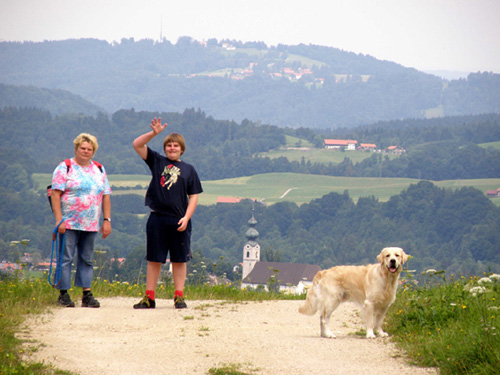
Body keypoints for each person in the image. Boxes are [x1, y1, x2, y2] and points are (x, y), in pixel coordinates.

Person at [133, 117, 202, 309]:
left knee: (179, 259)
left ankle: (179, 296)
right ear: (165, 149)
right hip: (157, 218)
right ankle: (149, 297)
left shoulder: (189, 170)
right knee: (154, 258)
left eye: (176, 146)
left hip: (179, 220)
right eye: (169, 145)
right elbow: (137, 144)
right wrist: (154, 134)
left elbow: (194, 196)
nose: (172, 148)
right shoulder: (156, 161)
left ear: (182, 149)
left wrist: (187, 218)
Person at [50, 133, 112, 308]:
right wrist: (58, 220)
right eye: (82, 148)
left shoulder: (99, 169)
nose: (86, 151)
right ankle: (63, 294)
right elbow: (55, 194)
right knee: (66, 258)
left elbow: (105, 195)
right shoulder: (65, 167)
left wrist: (106, 220)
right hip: (68, 223)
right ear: (76, 148)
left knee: (87, 259)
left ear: (94, 151)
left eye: (89, 149)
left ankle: (86, 294)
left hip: (91, 223)